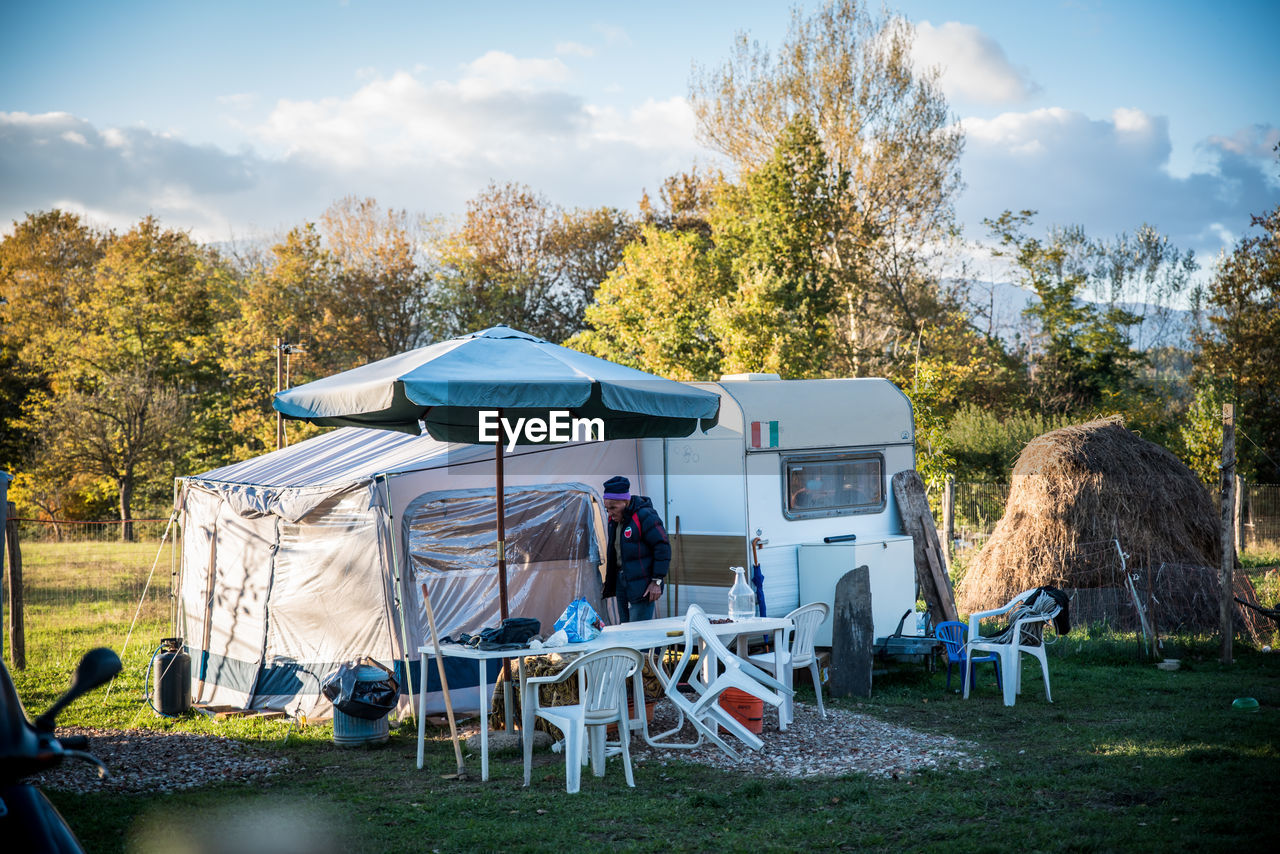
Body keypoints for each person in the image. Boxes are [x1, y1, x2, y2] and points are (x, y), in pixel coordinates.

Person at [601, 475, 670, 622]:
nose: (610, 513)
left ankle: (650, 646)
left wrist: (657, 581)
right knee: (624, 628)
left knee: (639, 631)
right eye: (607, 508)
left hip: (643, 584)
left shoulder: (645, 515)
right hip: (621, 580)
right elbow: (615, 551)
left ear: (626, 501)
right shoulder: (613, 520)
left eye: (613, 507)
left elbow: (662, 547)